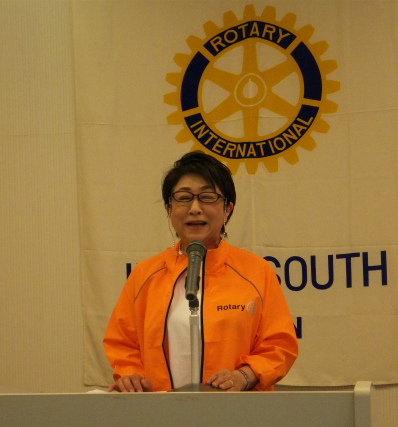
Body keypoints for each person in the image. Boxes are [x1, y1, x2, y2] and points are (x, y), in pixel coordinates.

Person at [103, 151, 298, 392]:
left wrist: (244, 377)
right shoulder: (144, 274)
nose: (195, 208)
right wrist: (131, 376)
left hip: (236, 409)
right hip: (159, 409)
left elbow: (280, 345)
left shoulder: (257, 271)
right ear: (169, 208)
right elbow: (122, 343)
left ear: (227, 209)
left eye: (207, 197)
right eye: (184, 198)